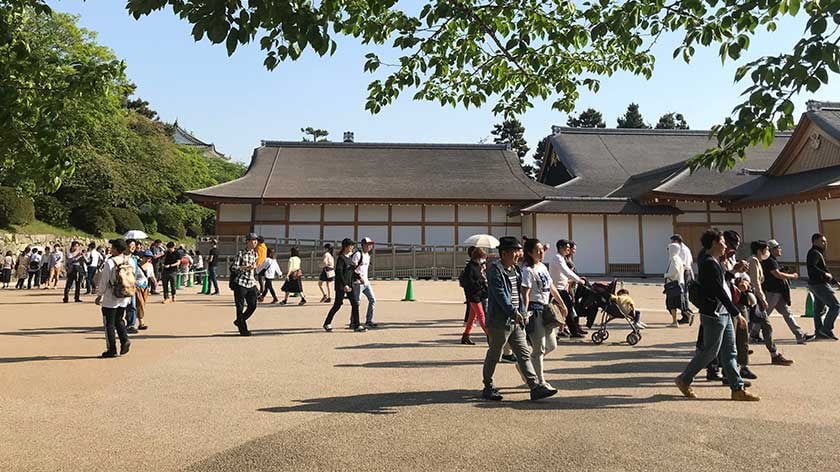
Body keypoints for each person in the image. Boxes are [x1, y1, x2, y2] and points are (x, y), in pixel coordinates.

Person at [675, 229, 760, 401]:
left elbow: (720, 280)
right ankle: (684, 379)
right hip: (715, 314)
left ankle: (737, 388)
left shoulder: (713, 261)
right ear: (714, 243)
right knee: (710, 352)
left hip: (722, 313)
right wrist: (736, 313)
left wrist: (733, 271)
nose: (725, 246)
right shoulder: (708, 262)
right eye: (722, 242)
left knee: (730, 352)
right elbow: (719, 291)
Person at [480, 236, 557, 402]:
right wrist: (513, 312)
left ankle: (534, 386)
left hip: (516, 321)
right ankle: (488, 385)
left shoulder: (515, 270)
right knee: (495, 354)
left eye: (518, 251)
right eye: (515, 251)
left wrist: (522, 312)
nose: (518, 254)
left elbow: (520, 296)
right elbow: (501, 296)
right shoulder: (495, 271)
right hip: (500, 322)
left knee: (523, 354)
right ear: (504, 253)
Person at [521, 238, 568, 388]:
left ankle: (525, 364)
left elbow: (551, 287)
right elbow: (525, 294)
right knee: (539, 347)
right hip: (535, 310)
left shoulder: (542, 267)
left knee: (552, 345)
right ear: (529, 253)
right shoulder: (527, 270)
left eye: (542, 250)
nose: (541, 253)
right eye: (537, 250)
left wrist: (562, 304)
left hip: (546, 309)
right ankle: (540, 380)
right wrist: (524, 313)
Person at [740, 250, 794, 366]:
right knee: (748, 326)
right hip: (754, 298)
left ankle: (773, 353)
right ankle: (740, 353)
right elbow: (755, 282)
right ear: (760, 250)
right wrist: (762, 298)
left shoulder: (756, 261)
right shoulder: (754, 261)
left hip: (755, 297)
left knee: (762, 325)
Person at [761, 239, 813, 344]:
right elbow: (777, 274)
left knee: (787, 313)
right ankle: (753, 333)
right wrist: (792, 276)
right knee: (763, 314)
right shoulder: (770, 261)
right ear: (771, 250)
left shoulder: (772, 260)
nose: (780, 249)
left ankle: (799, 335)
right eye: (777, 247)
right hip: (772, 292)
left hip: (777, 292)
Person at [94, 239, 132, 358]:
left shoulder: (110, 262)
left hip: (111, 296)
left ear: (115, 249)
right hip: (124, 295)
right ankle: (124, 339)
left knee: (109, 323)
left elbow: (104, 281)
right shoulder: (128, 260)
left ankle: (112, 348)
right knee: (119, 320)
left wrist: (99, 294)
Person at [323, 238, 365, 332]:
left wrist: (359, 278)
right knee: (337, 304)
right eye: (351, 245)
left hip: (350, 284)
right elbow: (339, 272)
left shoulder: (349, 258)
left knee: (355, 303)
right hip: (342, 285)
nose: (352, 247)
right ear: (346, 246)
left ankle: (356, 325)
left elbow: (352, 271)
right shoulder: (341, 258)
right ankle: (327, 323)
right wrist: (345, 285)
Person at [549, 239, 586, 338]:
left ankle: (564, 330)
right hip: (557, 289)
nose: (568, 250)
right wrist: (578, 280)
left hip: (561, 288)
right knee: (565, 310)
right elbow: (566, 272)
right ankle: (572, 331)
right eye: (567, 247)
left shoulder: (561, 258)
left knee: (564, 310)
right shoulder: (557, 258)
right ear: (561, 247)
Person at [807, 233, 840, 340]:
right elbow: (812, 267)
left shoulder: (817, 252)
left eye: (825, 241)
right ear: (815, 241)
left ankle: (819, 331)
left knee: (818, 309)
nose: (825, 243)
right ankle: (825, 330)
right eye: (822, 241)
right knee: (835, 306)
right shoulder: (814, 253)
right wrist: (823, 274)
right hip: (819, 284)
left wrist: (834, 282)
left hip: (815, 284)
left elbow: (824, 269)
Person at [232, 233, 260, 336]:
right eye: (253, 240)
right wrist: (245, 268)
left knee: (253, 305)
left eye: (256, 240)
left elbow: (255, 269)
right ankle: (243, 330)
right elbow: (234, 267)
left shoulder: (255, 254)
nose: (255, 242)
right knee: (240, 307)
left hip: (251, 282)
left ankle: (240, 320)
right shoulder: (241, 253)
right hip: (241, 282)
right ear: (247, 241)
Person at [460, 247, 489, 345]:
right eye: (482, 257)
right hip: (473, 295)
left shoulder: (478, 266)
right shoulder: (470, 267)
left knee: (472, 317)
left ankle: (466, 335)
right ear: (478, 257)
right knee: (481, 316)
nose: (483, 260)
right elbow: (470, 282)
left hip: (478, 294)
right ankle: (490, 336)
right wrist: (481, 282)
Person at [352, 237, 377, 328]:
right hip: (358, 282)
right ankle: (353, 322)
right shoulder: (358, 254)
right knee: (357, 302)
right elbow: (354, 267)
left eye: (371, 244)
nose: (370, 246)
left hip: (366, 282)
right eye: (368, 244)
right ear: (363, 245)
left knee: (372, 299)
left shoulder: (367, 255)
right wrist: (359, 277)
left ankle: (369, 320)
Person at [671, 234, 695, 324]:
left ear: (677, 241)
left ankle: (686, 314)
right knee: (683, 293)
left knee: (683, 293)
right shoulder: (685, 249)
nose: (672, 243)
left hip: (684, 272)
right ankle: (685, 313)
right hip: (686, 271)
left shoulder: (683, 250)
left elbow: (683, 264)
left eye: (673, 241)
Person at [664, 242, 688, 327]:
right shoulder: (678, 258)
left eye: (669, 249)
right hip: (678, 283)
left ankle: (674, 322)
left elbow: (674, 271)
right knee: (678, 303)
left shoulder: (674, 259)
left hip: (673, 284)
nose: (668, 251)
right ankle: (687, 314)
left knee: (671, 303)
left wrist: (666, 275)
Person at [136, 250, 155, 330]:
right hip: (137, 287)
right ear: (142, 257)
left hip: (146, 287)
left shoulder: (150, 265)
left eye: (149, 257)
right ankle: (141, 322)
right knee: (140, 304)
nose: (148, 259)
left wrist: (155, 281)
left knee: (143, 304)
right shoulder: (136, 265)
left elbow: (151, 275)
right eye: (146, 257)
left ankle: (137, 320)